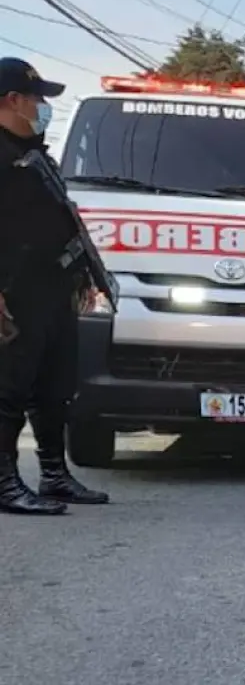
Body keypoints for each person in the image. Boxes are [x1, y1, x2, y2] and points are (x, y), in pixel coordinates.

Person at [0, 57, 109, 515]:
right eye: (37, 98)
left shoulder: (37, 153)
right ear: (12, 100)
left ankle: (53, 475)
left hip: (54, 287)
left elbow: (60, 219)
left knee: (54, 386)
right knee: (10, 390)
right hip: (14, 291)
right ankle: (5, 483)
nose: (43, 106)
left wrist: (81, 276)